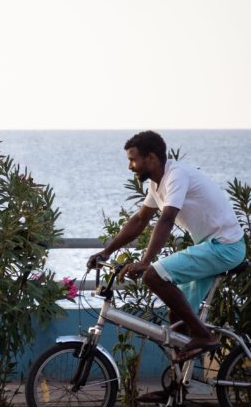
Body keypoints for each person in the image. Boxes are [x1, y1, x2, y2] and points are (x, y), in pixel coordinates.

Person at [88, 131, 246, 369]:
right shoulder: (156, 183)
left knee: (153, 275)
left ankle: (204, 336)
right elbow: (139, 221)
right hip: (210, 247)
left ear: (151, 158)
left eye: (133, 160)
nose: (130, 166)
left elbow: (167, 219)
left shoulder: (176, 175)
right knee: (177, 320)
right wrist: (107, 251)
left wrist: (145, 261)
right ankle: (176, 388)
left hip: (225, 247)